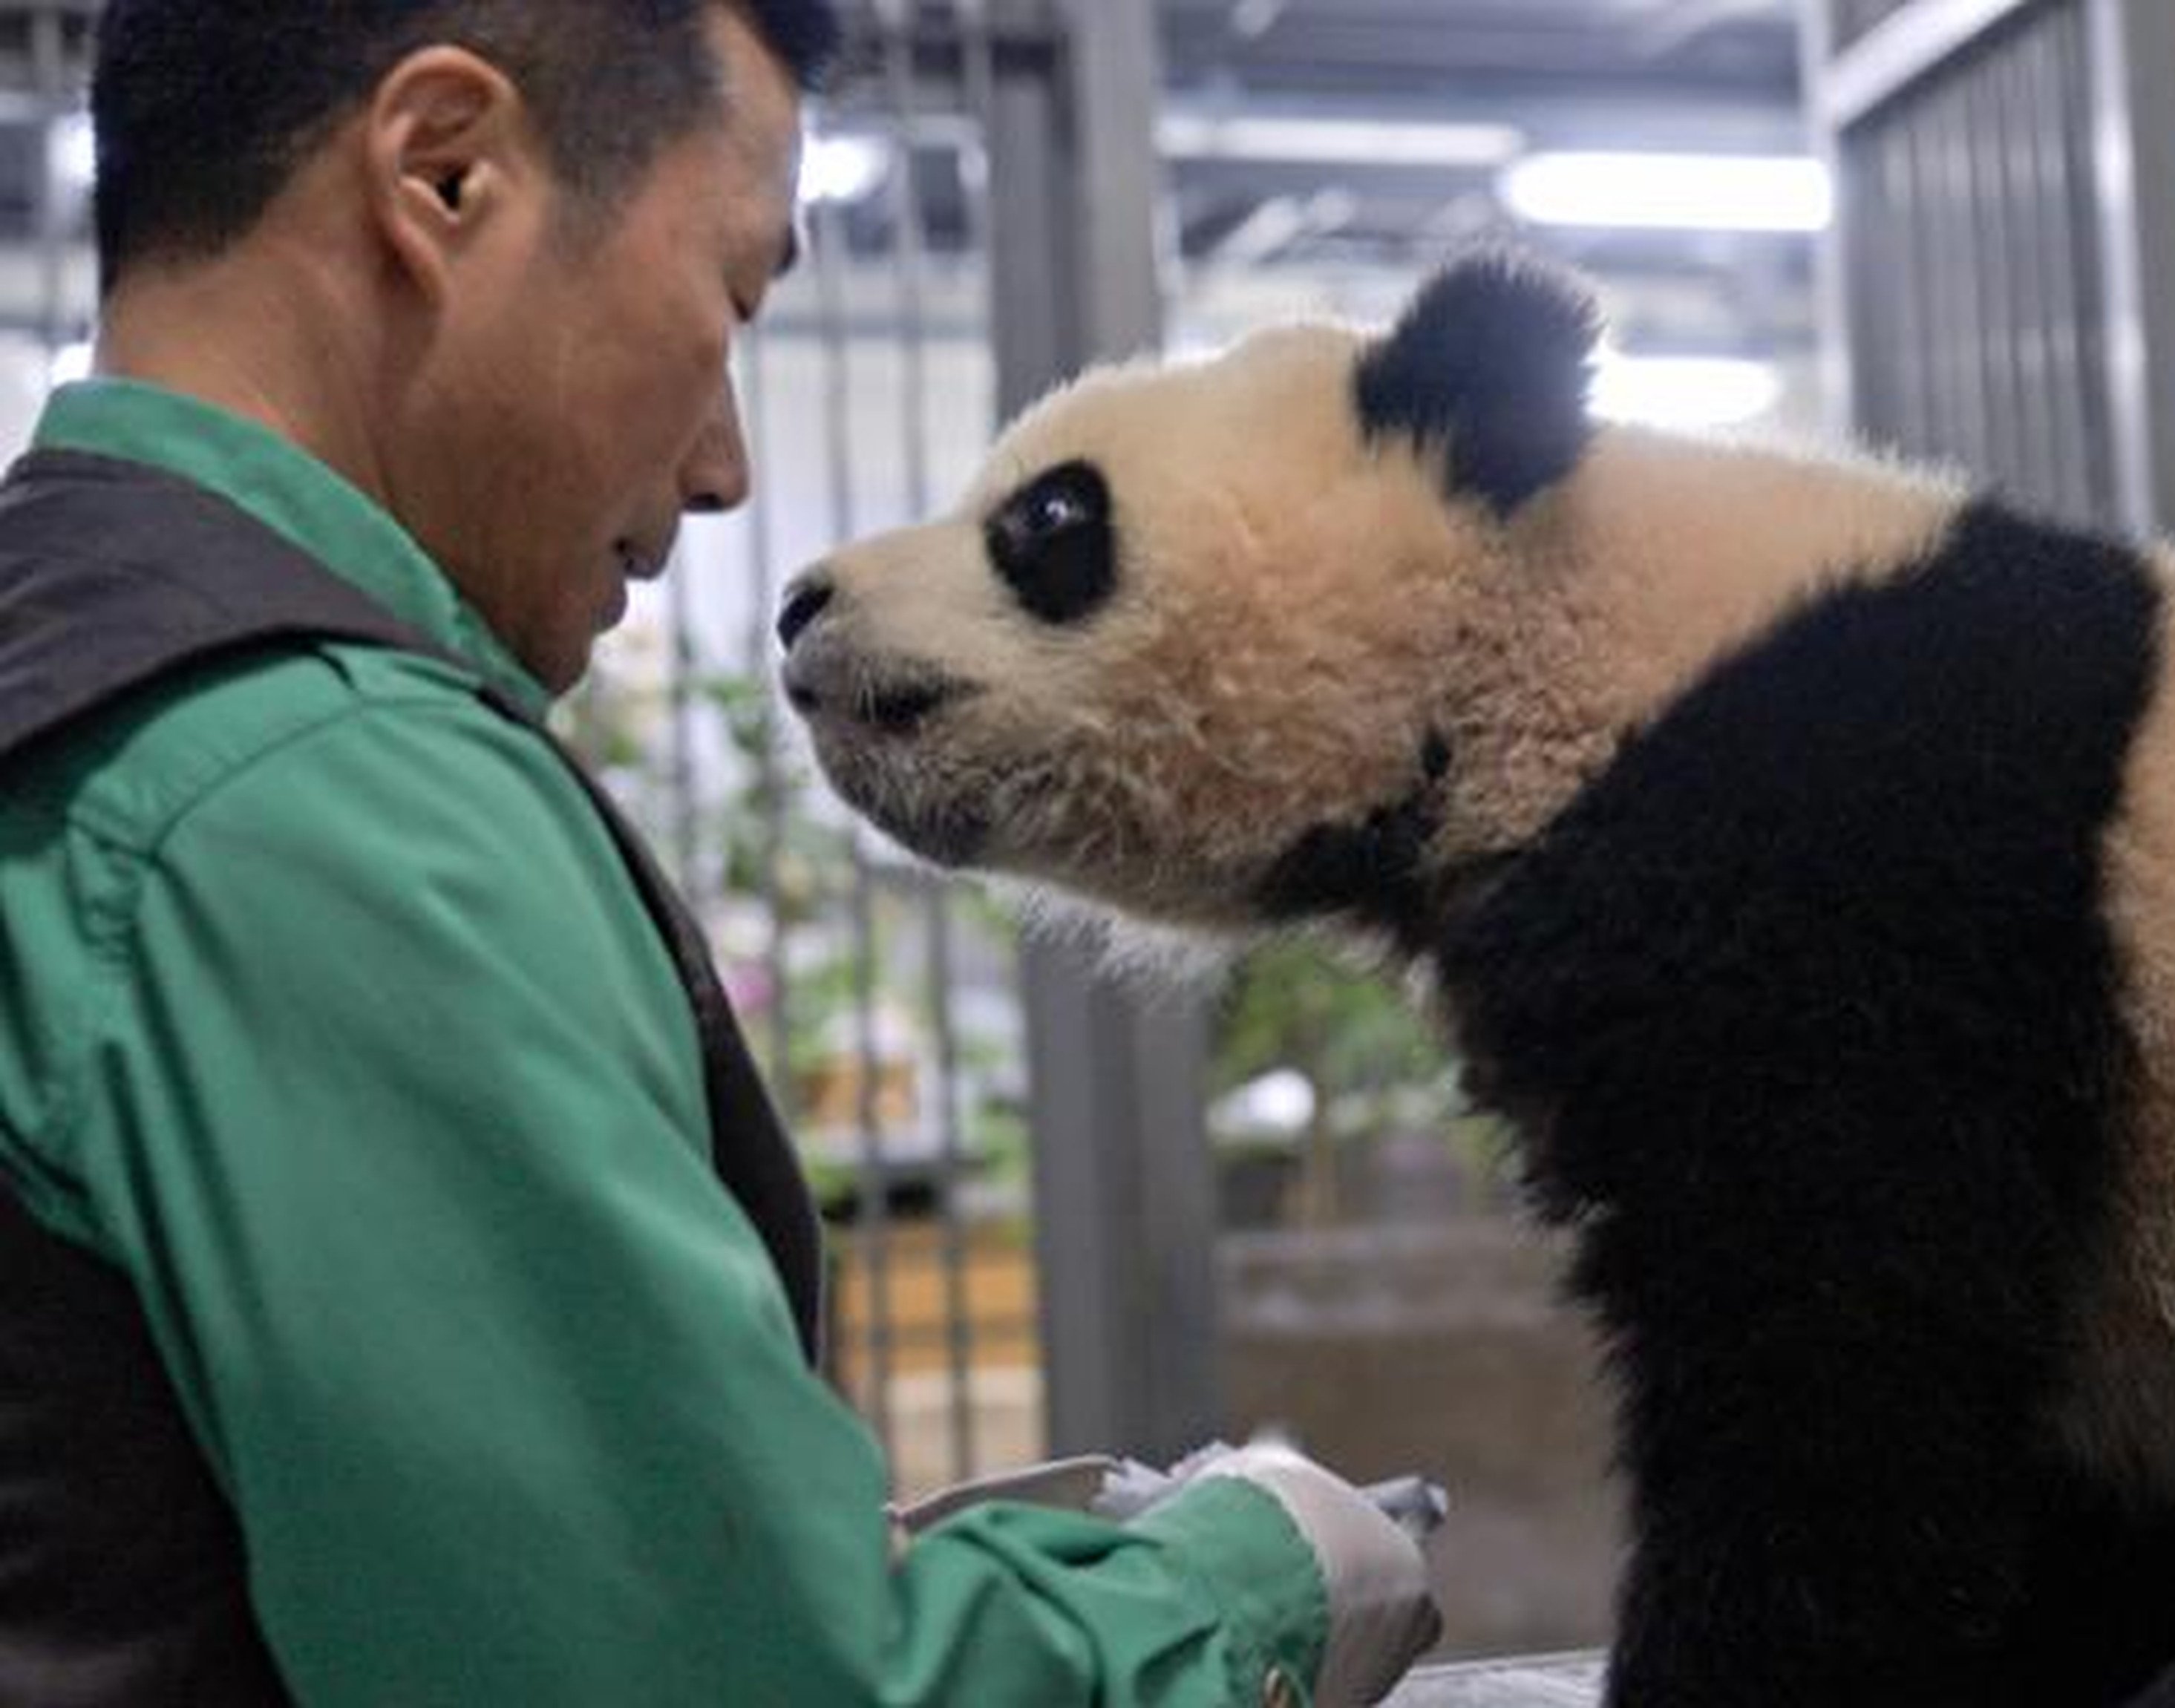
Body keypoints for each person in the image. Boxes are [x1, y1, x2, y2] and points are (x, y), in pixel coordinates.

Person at [0, 3, 1436, 1703]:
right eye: (732, 297)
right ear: (443, 174)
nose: (725, 465)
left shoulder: (61, 663)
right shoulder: (316, 797)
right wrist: (1249, 1572)